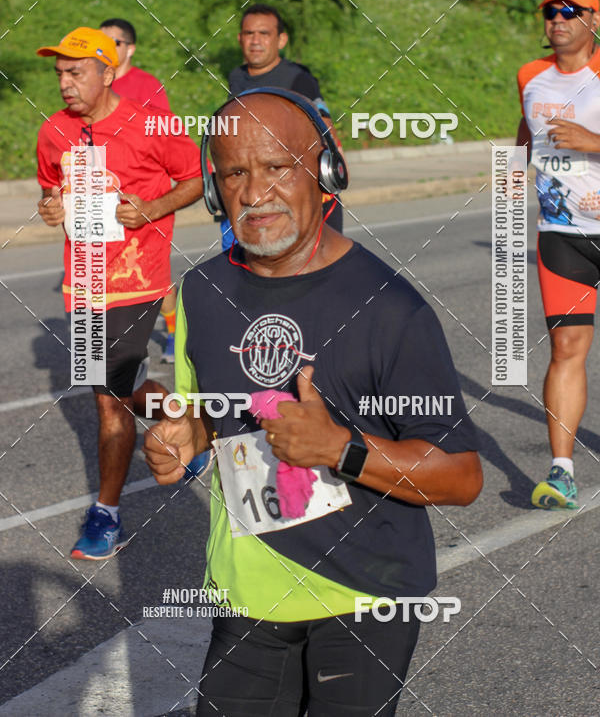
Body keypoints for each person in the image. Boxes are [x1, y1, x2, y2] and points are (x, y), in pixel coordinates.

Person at [144, 89, 482, 716]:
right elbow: (198, 416)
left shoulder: (390, 308)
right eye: (235, 173)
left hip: (363, 597)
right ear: (215, 192)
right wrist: (179, 437)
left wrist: (340, 450)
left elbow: (461, 476)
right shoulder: (201, 292)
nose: (255, 191)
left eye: (276, 167)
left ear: (324, 172)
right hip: (245, 595)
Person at [36, 26, 203, 559]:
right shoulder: (53, 133)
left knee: (109, 406)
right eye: (60, 73)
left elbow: (197, 176)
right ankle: (188, 419)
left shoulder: (149, 122)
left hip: (136, 281)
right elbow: (49, 188)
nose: (65, 83)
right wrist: (49, 208)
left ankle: (105, 515)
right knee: (114, 389)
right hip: (82, 283)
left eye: (76, 72)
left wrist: (151, 209)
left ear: (108, 73)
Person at [516, 0, 600, 510]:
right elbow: (523, 135)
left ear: (594, 20)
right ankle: (562, 471)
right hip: (562, 236)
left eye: (571, 11)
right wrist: (508, 181)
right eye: (551, 11)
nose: (559, 20)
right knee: (567, 349)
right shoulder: (529, 76)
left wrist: (595, 142)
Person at [221, 3, 343, 249]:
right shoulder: (237, 77)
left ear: (281, 40)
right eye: (249, 34)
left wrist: (332, 175)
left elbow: (326, 134)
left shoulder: (298, 79)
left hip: (291, 195)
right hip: (248, 194)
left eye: (264, 34)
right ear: (240, 38)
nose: (255, 41)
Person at [100, 17, 177, 363]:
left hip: (145, 198)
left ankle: (176, 335)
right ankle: (126, 345)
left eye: (114, 42)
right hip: (103, 198)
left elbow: (166, 137)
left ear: (130, 48)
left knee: (152, 275)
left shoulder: (147, 86)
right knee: (111, 276)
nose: (105, 47)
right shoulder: (92, 84)